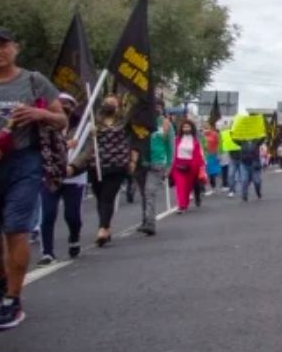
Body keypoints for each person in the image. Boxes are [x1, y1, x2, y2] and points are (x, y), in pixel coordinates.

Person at [0, 26, 67, 332]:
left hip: (23, 162)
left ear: (15, 48)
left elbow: (61, 119)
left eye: (4, 45)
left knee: (17, 228)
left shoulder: (33, 80)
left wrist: (40, 115)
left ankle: (13, 300)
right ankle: (0, 283)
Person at [69, 95, 134, 246]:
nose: (109, 104)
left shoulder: (124, 123)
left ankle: (103, 228)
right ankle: (105, 225)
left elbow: (132, 140)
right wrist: (89, 133)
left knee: (107, 197)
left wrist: (132, 160)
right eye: (107, 101)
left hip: (116, 165)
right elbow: (79, 139)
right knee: (100, 197)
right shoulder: (94, 122)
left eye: (113, 102)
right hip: (96, 165)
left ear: (118, 106)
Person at [38, 93, 86, 264]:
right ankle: (47, 252)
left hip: (74, 178)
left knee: (72, 215)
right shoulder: (44, 127)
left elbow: (87, 153)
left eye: (67, 104)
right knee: (48, 214)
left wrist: (73, 167)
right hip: (50, 176)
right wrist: (65, 146)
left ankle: (74, 238)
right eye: (60, 103)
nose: (63, 107)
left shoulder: (82, 128)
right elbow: (42, 149)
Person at [132, 103, 173, 235]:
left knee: (149, 191)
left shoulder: (165, 124)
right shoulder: (138, 123)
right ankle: (146, 220)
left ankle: (150, 223)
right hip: (141, 163)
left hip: (157, 163)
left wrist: (169, 165)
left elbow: (170, 145)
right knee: (144, 193)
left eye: (158, 107)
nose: (156, 109)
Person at [171, 120, 207, 212]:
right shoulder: (176, 139)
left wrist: (201, 165)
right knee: (180, 186)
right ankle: (181, 205)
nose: (186, 129)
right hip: (178, 164)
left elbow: (199, 154)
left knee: (187, 187)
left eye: (188, 127)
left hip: (191, 165)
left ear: (191, 128)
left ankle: (185, 203)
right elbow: (172, 152)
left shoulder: (195, 141)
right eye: (184, 127)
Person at [203, 122, 221, 198]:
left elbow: (218, 144)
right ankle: (205, 189)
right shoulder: (202, 135)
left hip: (212, 155)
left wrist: (218, 154)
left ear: (210, 128)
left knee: (212, 173)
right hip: (204, 155)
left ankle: (213, 188)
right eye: (205, 128)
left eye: (207, 128)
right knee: (204, 173)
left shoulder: (214, 134)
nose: (206, 130)